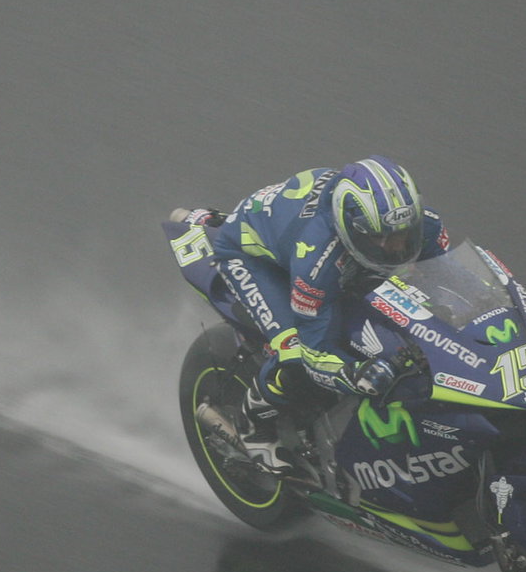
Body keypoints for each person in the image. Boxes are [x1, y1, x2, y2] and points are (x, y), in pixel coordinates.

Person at [176, 155, 451, 471]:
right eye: (382, 238)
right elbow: (315, 354)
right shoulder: (317, 258)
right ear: (351, 226)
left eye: (404, 234)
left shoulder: (423, 224)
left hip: (300, 236)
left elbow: (446, 279)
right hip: (252, 258)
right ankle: (251, 424)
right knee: (293, 355)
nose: (396, 248)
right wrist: (352, 373)